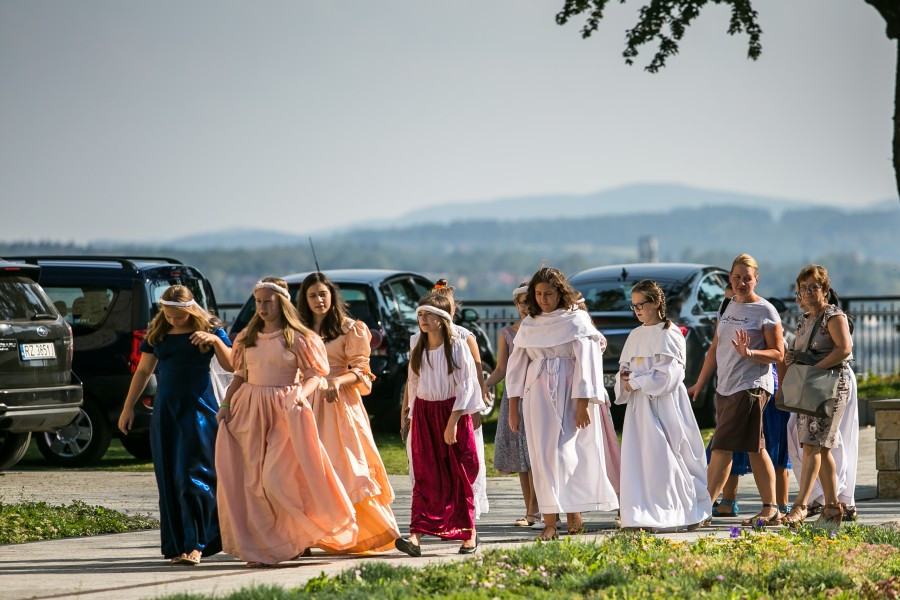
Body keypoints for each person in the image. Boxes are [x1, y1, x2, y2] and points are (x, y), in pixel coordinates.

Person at [215, 278, 357, 566]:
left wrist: (299, 397)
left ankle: (300, 533)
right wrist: (226, 404)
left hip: (286, 411)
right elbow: (240, 376)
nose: (263, 307)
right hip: (250, 410)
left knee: (276, 479)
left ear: (281, 303)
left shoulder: (298, 337)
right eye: (259, 302)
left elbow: (314, 375)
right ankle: (264, 547)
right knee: (253, 483)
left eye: (268, 301)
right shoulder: (248, 337)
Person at [118, 285, 233, 566]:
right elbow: (143, 371)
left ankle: (197, 544)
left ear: (191, 309)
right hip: (166, 413)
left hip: (198, 412)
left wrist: (215, 341)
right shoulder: (158, 333)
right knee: (169, 477)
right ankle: (179, 544)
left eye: (178, 316)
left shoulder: (210, 331)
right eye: (168, 315)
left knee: (191, 476)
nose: (173, 320)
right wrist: (128, 407)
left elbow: (232, 365)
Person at [506, 266, 619, 542]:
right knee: (543, 455)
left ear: (560, 293)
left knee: (567, 452)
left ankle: (573, 510)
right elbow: (516, 366)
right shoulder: (530, 324)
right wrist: (513, 407)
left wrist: (583, 404)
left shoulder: (576, 320)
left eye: (549, 293)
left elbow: (587, 363)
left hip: (570, 391)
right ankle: (549, 522)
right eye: (538, 294)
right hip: (538, 393)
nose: (543, 299)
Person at [297, 272, 401, 553]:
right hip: (306, 403)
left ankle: (365, 532)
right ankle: (307, 536)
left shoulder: (350, 328)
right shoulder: (298, 330)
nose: (319, 300)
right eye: (312, 295)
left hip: (339, 404)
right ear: (304, 300)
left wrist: (336, 381)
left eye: (323, 294)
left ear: (332, 296)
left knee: (347, 468)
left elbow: (363, 372)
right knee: (306, 468)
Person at [688, 254, 785, 527]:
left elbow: (778, 353)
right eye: (737, 277)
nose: (742, 283)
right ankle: (771, 509)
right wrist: (700, 383)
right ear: (730, 279)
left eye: (747, 278)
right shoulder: (727, 306)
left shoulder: (765, 311)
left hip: (751, 387)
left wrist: (750, 352)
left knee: (721, 446)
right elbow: (714, 349)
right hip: (726, 387)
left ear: (756, 280)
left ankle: (703, 510)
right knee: (754, 448)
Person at [615, 280, 711, 530]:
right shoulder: (635, 335)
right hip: (639, 407)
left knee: (668, 454)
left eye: (641, 304)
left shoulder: (670, 333)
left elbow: (669, 375)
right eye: (633, 306)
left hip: (665, 403)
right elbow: (624, 369)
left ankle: (680, 510)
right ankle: (642, 511)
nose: (637, 310)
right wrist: (624, 378)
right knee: (642, 458)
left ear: (657, 302)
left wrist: (636, 381)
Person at [394, 294, 485, 557]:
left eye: (428, 314)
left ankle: (469, 533)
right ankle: (415, 537)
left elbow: (466, 386)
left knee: (459, 473)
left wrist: (452, 422)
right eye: (420, 314)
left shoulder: (457, 346)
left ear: (443, 318)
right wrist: (410, 415)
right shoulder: (417, 344)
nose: (422, 319)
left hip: (451, 412)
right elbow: (413, 382)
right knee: (425, 474)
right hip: (424, 413)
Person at [779, 265, 854, 526]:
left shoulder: (833, 316)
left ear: (825, 289)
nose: (808, 292)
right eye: (803, 288)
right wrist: (793, 357)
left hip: (831, 386)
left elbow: (844, 349)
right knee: (820, 447)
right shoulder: (805, 319)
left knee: (813, 444)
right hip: (810, 386)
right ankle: (832, 507)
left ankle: (800, 506)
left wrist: (815, 368)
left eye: (814, 287)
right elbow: (804, 350)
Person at [485, 282, 538, 527]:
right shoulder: (507, 333)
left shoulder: (544, 329)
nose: (526, 307)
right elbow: (501, 368)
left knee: (535, 454)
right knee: (521, 457)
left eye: (530, 302)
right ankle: (530, 510)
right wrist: (485, 385)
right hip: (514, 396)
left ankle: (539, 509)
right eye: (522, 302)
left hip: (537, 393)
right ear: (516, 304)